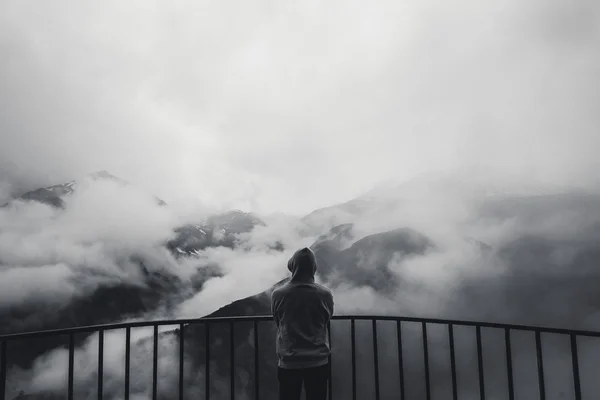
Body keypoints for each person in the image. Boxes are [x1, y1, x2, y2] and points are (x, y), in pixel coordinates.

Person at [271, 247, 335, 400]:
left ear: (293, 266)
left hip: (289, 362)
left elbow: (278, 320)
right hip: (318, 361)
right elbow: (327, 319)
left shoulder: (278, 294)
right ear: (313, 268)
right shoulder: (325, 294)